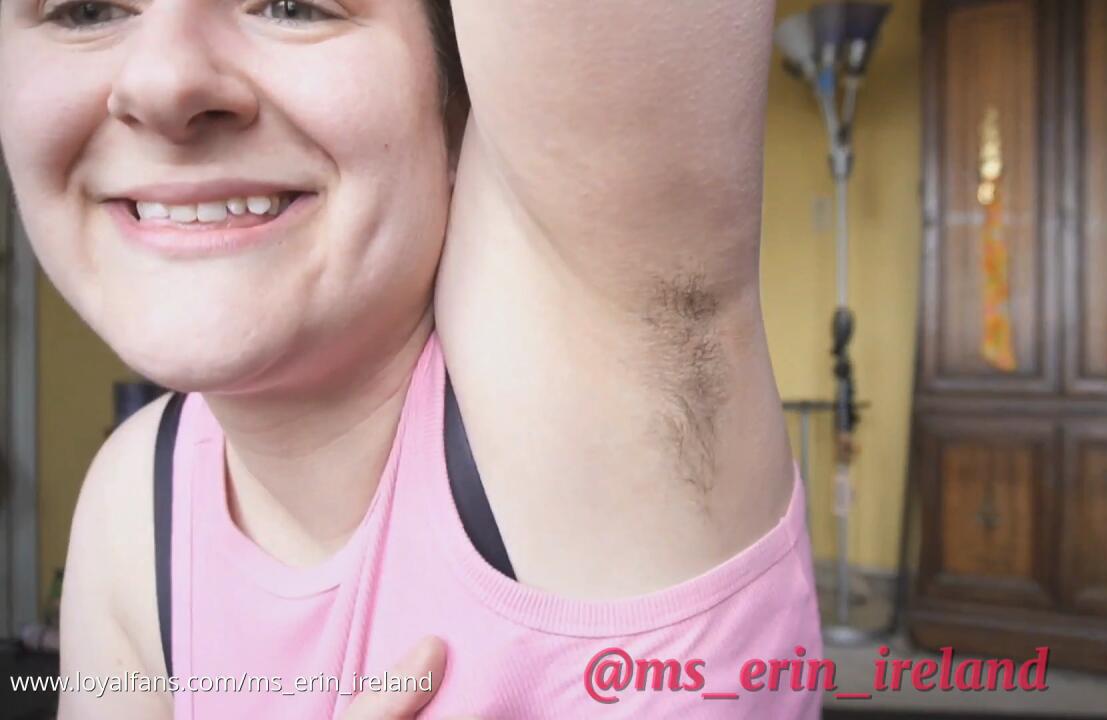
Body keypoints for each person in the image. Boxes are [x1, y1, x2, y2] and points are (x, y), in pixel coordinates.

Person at [0, 0, 824, 716]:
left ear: (455, 113)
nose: (162, 83)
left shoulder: (596, 398)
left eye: (293, 2)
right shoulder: (133, 500)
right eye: (84, 8)